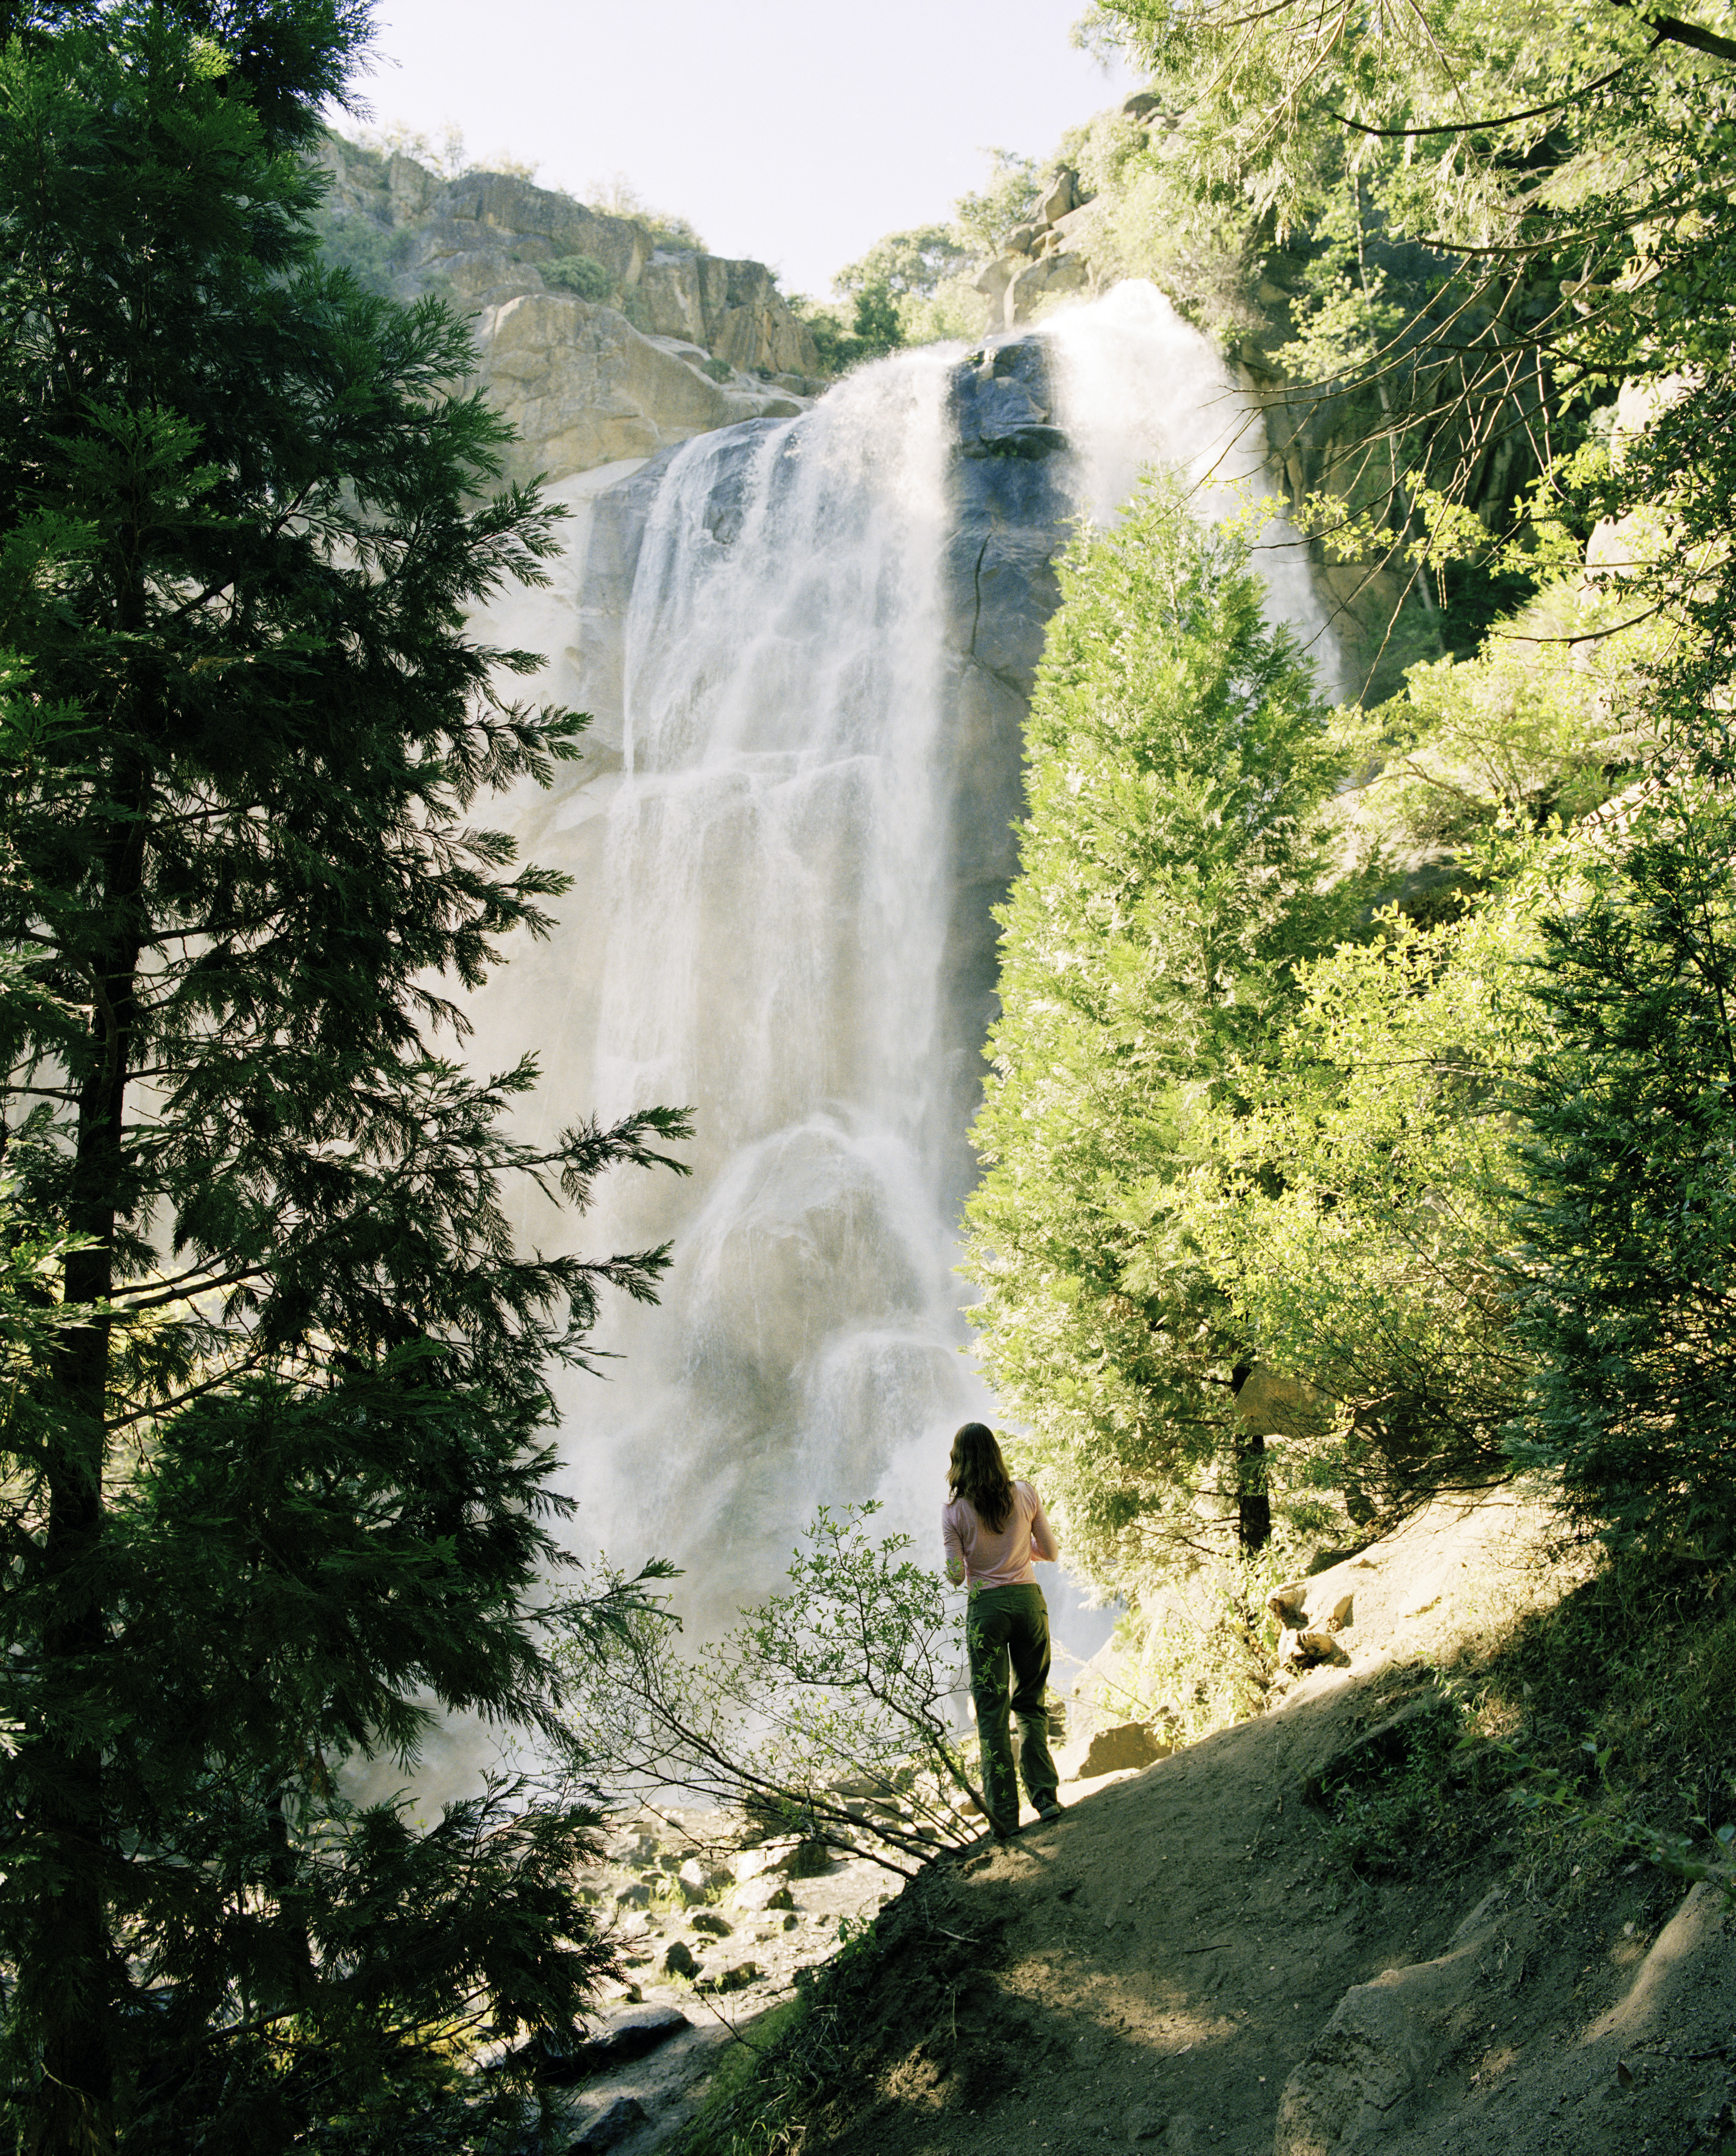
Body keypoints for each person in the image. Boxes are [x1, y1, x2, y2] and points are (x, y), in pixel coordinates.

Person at [941, 1420, 1064, 1838]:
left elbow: (957, 1575)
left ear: (958, 1460)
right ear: (996, 1454)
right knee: (1030, 1703)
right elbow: (1049, 1550)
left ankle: (1005, 1818)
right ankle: (1045, 1799)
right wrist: (1016, 1551)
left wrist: (973, 1555)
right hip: (1029, 1602)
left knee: (991, 1713)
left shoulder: (954, 1511)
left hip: (987, 1611)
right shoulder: (1026, 1493)